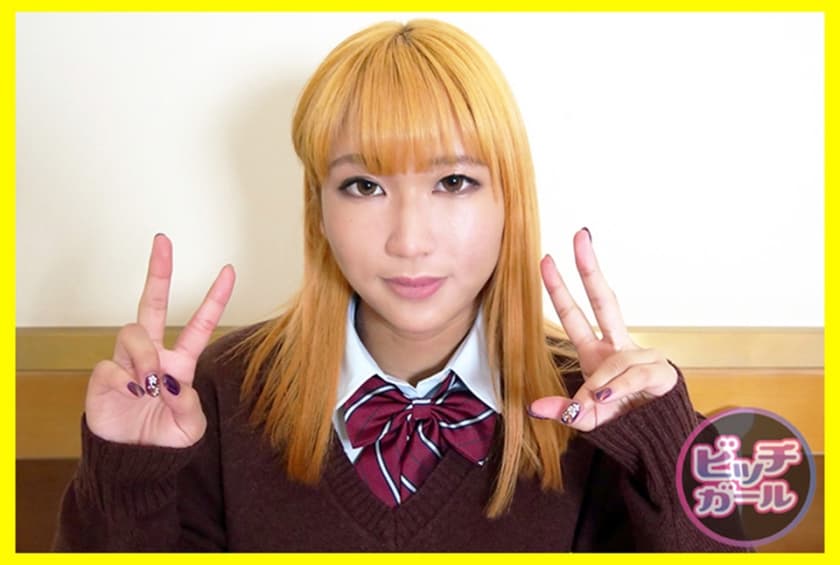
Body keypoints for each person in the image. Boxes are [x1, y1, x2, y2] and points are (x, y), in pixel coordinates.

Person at [52, 19, 745, 552]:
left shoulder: (599, 413)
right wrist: (127, 479)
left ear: (510, 201)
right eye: (363, 185)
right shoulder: (210, 398)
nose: (409, 239)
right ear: (318, 210)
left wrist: (666, 451)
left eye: (454, 181)